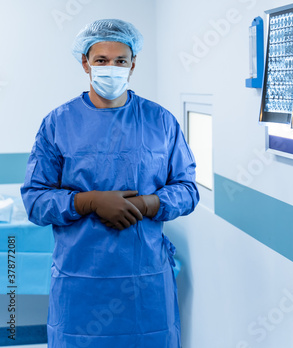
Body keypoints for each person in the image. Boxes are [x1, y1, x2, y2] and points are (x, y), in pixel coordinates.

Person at [21, 18, 199, 348]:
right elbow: (35, 200)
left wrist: (149, 204)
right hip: (81, 281)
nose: (111, 68)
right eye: (101, 60)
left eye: (120, 60)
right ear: (85, 62)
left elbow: (187, 189)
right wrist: (87, 202)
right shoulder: (59, 123)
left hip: (144, 279)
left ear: (134, 64)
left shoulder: (160, 121)